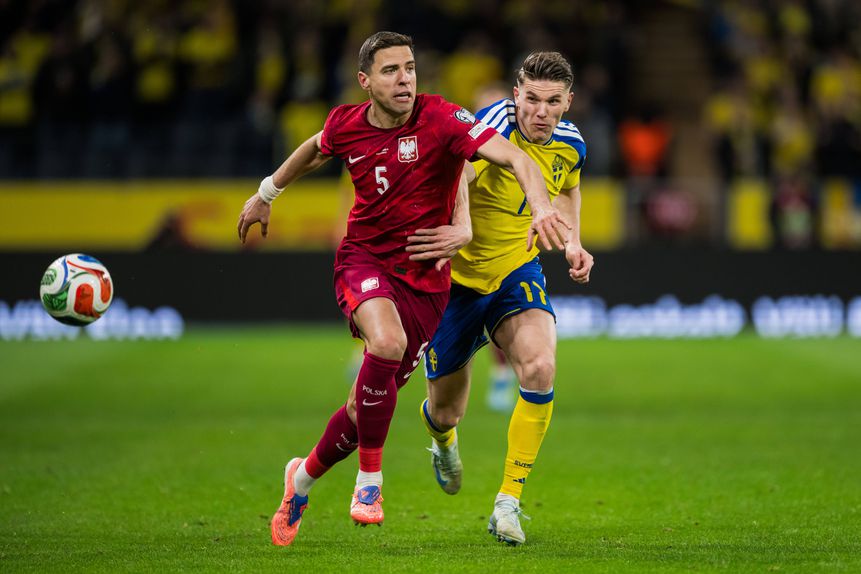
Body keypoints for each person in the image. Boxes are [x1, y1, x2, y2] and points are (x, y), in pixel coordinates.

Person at [236, 32, 571, 546]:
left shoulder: (442, 117)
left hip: (428, 281)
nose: (405, 79)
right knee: (386, 346)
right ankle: (370, 483)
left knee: (363, 406)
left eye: (410, 68)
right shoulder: (347, 124)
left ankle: (300, 478)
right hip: (365, 261)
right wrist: (267, 193)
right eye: (391, 70)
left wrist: (541, 210)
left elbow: (519, 162)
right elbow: (313, 150)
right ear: (365, 81)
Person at [413, 51, 594, 546]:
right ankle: (443, 442)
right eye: (531, 99)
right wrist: (463, 227)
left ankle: (508, 503)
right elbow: (453, 179)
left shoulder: (572, 144)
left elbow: (569, 188)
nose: (540, 111)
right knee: (446, 411)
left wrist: (573, 241)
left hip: (516, 270)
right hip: (456, 283)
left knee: (540, 368)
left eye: (552, 102)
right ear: (516, 95)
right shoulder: (491, 129)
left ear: (567, 102)